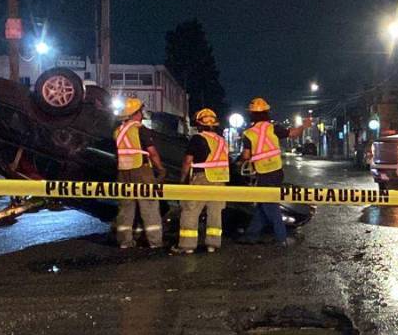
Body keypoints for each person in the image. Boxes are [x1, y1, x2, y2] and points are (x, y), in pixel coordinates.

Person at [239, 97, 296, 246]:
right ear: (266, 112)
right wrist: (305, 125)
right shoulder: (273, 128)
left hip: (264, 172)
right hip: (277, 171)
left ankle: (281, 238)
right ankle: (251, 235)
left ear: (251, 114)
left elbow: (245, 156)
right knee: (263, 205)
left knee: (270, 205)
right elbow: (292, 133)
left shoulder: (249, 133)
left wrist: (242, 161)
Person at [175, 108, 229, 255]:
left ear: (199, 124)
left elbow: (188, 161)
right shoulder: (222, 141)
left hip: (201, 178)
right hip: (220, 180)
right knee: (215, 213)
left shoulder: (197, 139)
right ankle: (213, 244)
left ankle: (187, 245)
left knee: (190, 211)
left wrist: (183, 180)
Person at [114, 98, 166, 249]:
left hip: (123, 171)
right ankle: (155, 242)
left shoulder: (118, 131)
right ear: (135, 113)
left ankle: (125, 242)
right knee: (149, 206)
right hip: (141, 170)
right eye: (140, 112)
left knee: (125, 208)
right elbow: (152, 153)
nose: (142, 115)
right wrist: (160, 169)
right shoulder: (140, 129)